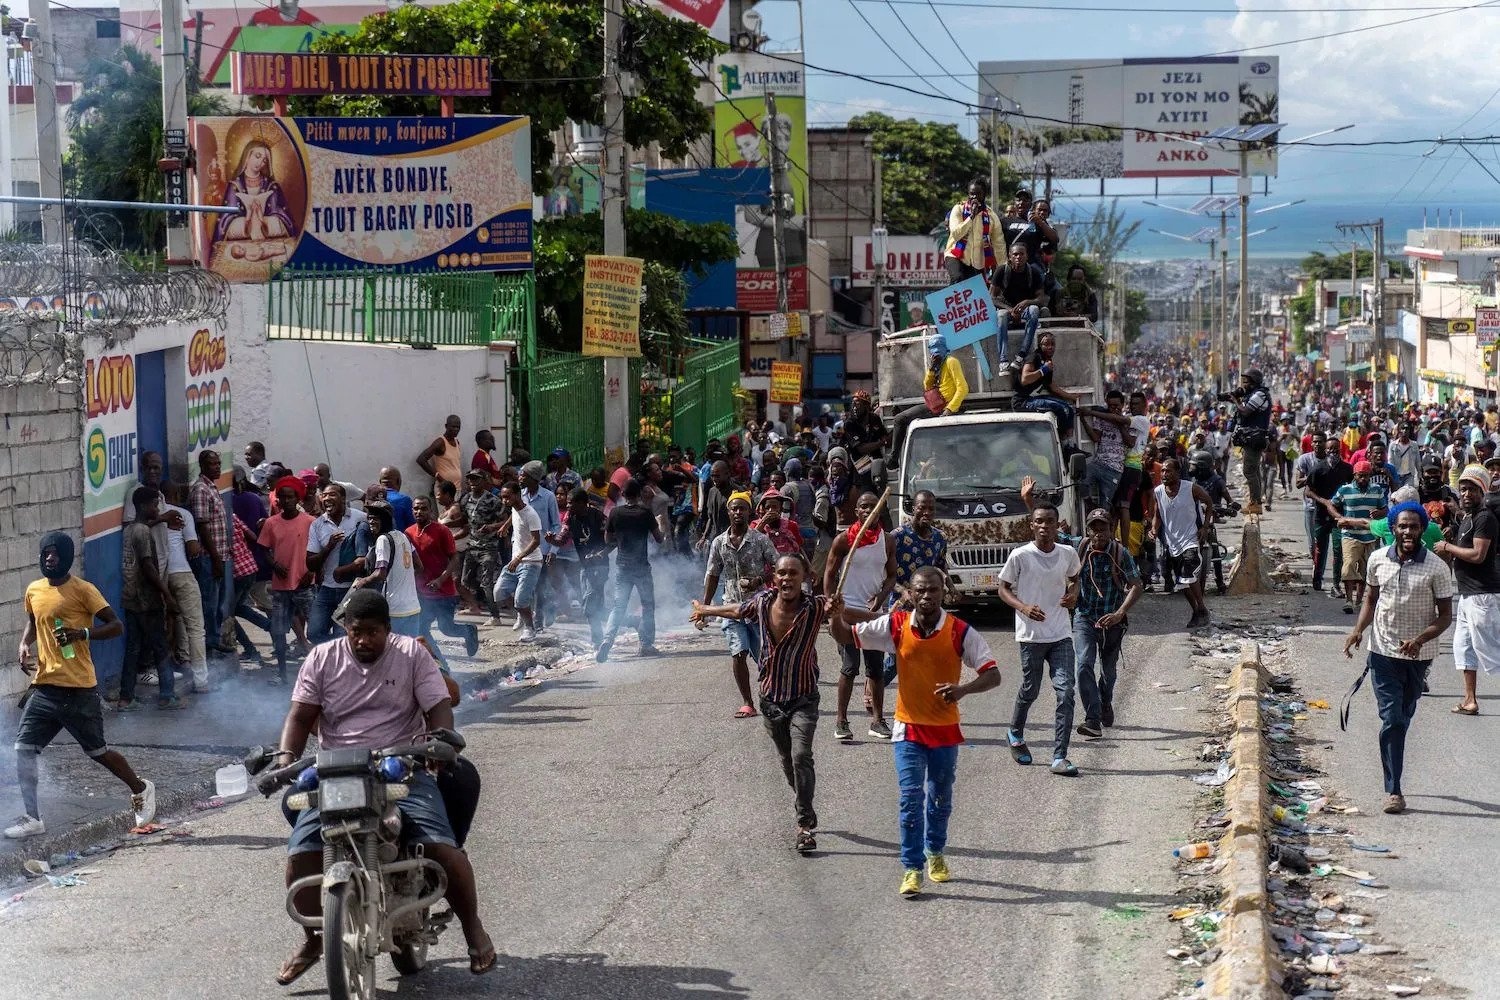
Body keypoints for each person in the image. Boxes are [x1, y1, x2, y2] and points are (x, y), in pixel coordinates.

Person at [271, 589, 494, 984]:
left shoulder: (411, 654)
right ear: (345, 628)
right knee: (301, 852)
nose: (363, 640)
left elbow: (438, 704)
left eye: (372, 632)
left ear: (388, 630)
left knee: (441, 847)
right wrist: (286, 758)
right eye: (356, 631)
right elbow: (300, 716)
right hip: (337, 771)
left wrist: (440, 739)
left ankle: (473, 928)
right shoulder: (322, 658)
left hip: (401, 766)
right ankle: (313, 937)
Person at [830, 565, 999, 898]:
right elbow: (845, 635)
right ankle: (911, 868)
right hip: (907, 728)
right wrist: (835, 616)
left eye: (933, 590)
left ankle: (935, 852)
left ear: (943, 592)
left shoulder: (959, 631)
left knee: (939, 799)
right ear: (909, 593)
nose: (926, 596)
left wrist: (963, 690)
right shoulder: (895, 625)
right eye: (919, 590)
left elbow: (993, 675)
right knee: (910, 800)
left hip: (945, 731)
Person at [7, 533, 156, 840]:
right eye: (45, 554)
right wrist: (24, 645)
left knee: (98, 752)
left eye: (55, 554)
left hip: (79, 690)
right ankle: (33, 818)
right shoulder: (34, 590)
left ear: (66, 557)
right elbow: (35, 621)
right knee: (23, 749)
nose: (49, 558)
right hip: (46, 687)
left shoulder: (83, 590)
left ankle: (140, 788)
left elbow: (116, 625)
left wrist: (81, 634)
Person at [691, 555, 830, 854]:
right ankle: (803, 800)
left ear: (805, 576)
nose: (787, 579)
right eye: (781, 573)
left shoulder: (816, 607)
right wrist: (705, 608)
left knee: (801, 755)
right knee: (786, 760)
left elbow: (848, 622)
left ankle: (804, 826)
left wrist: (843, 614)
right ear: (774, 578)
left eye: (793, 573)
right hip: (770, 700)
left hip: (804, 697)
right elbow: (736, 610)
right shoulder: (763, 603)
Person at [1343, 503, 1455, 815]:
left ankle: (1394, 760)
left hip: (1419, 657)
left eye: (1414, 526)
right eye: (1402, 526)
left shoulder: (1436, 567)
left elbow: (1446, 616)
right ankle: (1394, 790)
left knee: (1403, 717)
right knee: (1392, 718)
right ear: (1393, 528)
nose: (1407, 532)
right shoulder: (1378, 559)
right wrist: (1357, 630)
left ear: (1422, 530)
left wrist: (1420, 640)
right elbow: (1370, 599)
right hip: (1381, 653)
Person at [998, 503, 1082, 776]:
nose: (1044, 526)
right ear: (1031, 525)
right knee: (1031, 689)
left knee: (1066, 691)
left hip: (1060, 634)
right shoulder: (1020, 556)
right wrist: (1023, 608)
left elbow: (1074, 579)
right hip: (1030, 636)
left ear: (1058, 525)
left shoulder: (1068, 553)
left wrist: (1073, 594)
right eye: (1039, 522)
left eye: (1050, 521)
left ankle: (1060, 756)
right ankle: (1015, 732)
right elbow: (1003, 589)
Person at [823, 492, 897, 742]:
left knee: (875, 669)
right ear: (857, 512)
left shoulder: (886, 541)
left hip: (872, 615)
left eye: (872, 507)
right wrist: (830, 602)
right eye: (863, 507)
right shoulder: (844, 540)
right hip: (846, 612)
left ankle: (878, 721)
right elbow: (830, 573)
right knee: (850, 667)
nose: (868, 511)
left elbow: (892, 575)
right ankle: (841, 721)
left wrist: (880, 597)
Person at [701, 492, 778, 718]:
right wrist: (704, 609)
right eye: (734, 509)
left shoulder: (760, 540)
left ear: (749, 512)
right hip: (731, 608)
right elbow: (713, 575)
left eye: (742, 508)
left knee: (764, 656)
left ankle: (772, 696)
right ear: (728, 512)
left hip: (758, 608)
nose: (737, 512)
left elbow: (778, 566)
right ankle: (747, 702)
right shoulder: (719, 543)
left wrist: (759, 580)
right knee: (738, 653)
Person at [1073, 508, 1144, 738]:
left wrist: (1120, 613)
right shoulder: (1080, 547)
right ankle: (1092, 718)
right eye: (1094, 528)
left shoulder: (1120, 553)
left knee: (1108, 671)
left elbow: (1136, 585)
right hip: (1085, 617)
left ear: (1111, 529)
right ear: (1088, 531)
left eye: (1103, 528)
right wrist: (1028, 501)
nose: (1099, 533)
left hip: (1112, 621)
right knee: (1083, 665)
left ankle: (1105, 702)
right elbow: (1047, 533)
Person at [1436, 466, 1499, 716]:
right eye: (1463, 489)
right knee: (1463, 648)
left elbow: (1478, 554)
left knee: (1491, 650)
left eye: (1472, 489)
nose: (1466, 493)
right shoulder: (1467, 518)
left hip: (1483, 595)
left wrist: (1448, 548)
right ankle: (1470, 700)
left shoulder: (1485, 518)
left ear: (1482, 491)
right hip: (1466, 595)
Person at [118, 488, 181, 711]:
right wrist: (167, 594)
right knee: (160, 647)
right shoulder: (143, 532)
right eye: (155, 505)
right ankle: (167, 695)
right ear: (144, 506)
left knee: (133, 648)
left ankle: (126, 698)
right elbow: (148, 566)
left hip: (130, 598)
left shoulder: (129, 530)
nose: (157, 509)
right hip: (146, 599)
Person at [409, 495, 480, 673]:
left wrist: (441, 579)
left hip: (444, 591)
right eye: (416, 508)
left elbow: (454, 557)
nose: (419, 512)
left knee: (446, 628)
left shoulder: (441, 531)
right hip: (422, 593)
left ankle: (468, 630)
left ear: (431, 511)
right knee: (422, 629)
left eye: (423, 508)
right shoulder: (408, 532)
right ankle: (441, 666)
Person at [598, 478, 664, 662]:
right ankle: (646, 644)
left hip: (622, 567)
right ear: (639, 494)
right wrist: (662, 525)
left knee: (618, 607)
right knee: (647, 605)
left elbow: (607, 540)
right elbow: (659, 539)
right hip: (641, 567)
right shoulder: (645, 512)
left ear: (623, 494)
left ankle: (607, 639)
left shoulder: (615, 513)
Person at [258, 476, 316, 685]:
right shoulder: (271, 523)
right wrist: (274, 565)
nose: (286, 500)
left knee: (315, 627)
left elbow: (317, 552)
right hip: (281, 586)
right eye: (282, 497)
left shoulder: (310, 522)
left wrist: (311, 572)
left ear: (297, 498)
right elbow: (263, 549)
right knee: (279, 630)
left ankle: (319, 673)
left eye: (290, 496)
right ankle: (281, 673)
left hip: (304, 584)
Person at [887, 334, 969, 470]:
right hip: (935, 404)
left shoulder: (951, 361)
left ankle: (893, 460)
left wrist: (950, 409)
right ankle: (895, 460)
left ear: (944, 347)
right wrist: (932, 368)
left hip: (945, 407)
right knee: (900, 418)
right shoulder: (937, 365)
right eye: (933, 348)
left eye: (938, 347)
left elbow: (963, 388)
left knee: (900, 419)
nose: (935, 351)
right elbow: (927, 386)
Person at [1150, 458, 1213, 628]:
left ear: (1178, 472)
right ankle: (1198, 611)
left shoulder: (1190, 488)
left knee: (1188, 575)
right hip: (1172, 543)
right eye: (1162, 470)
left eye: (1168, 471)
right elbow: (1157, 515)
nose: (1164, 474)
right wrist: (1154, 530)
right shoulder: (1158, 492)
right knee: (1181, 583)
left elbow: (1209, 502)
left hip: (1191, 539)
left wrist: (1205, 527)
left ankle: (1201, 609)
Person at [1323, 461, 1389, 615]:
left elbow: (1385, 509)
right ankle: (1349, 600)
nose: (1363, 479)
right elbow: (1330, 505)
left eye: (1366, 476)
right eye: (1360, 476)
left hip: (1370, 535)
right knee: (1348, 566)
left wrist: (1380, 513)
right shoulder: (1345, 490)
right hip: (1350, 535)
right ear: (1355, 475)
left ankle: (1359, 601)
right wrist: (1339, 517)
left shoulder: (1377, 490)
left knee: (1365, 569)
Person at [305, 483, 364, 645]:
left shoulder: (360, 518)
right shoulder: (317, 525)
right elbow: (310, 564)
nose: (327, 498)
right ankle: (339, 653)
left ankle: (345, 662)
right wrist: (329, 546)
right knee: (314, 633)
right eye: (324, 495)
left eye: (332, 495)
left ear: (344, 499)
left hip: (351, 589)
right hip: (326, 589)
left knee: (341, 635)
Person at [188, 449, 231, 659]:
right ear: (203, 466)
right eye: (213, 464)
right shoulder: (201, 490)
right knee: (209, 602)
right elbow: (203, 527)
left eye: (218, 463)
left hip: (220, 556)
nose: (217, 467)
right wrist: (215, 558)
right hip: (209, 557)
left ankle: (214, 639)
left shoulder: (213, 488)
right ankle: (208, 644)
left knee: (218, 601)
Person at [492, 482, 544, 642]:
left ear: (517, 495)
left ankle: (530, 629)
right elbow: (514, 515)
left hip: (531, 562)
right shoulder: (516, 508)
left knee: (521, 599)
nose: (504, 501)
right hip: (516, 560)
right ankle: (522, 613)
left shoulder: (531, 514)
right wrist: (505, 526)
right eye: (503, 497)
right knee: (498, 592)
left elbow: (536, 541)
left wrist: (519, 558)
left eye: (507, 497)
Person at [562, 487, 612, 647]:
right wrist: (552, 541)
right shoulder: (570, 518)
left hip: (600, 567)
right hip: (585, 567)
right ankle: (632, 621)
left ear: (583, 503)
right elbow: (562, 538)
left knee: (589, 602)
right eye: (568, 503)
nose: (568, 506)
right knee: (596, 608)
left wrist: (601, 554)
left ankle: (598, 639)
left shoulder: (598, 516)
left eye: (571, 503)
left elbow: (613, 541)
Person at [991, 243, 1049, 371]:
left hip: (1025, 310)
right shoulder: (1001, 270)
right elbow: (992, 298)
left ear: (1027, 256)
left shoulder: (1033, 272)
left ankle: (1021, 354)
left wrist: (1027, 302)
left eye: (1022, 254)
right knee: (1000, 315)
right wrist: (1010, 310)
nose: (1018, 257)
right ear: (1010, 256)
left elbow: (1041, 298)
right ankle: (1003, 361)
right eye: (1015, 254)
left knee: (1034, 309)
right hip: (1007, 309)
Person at [459, 469, 506, 625]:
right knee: (464, 580)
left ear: (484, 480)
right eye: (470, 479)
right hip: (472, 546)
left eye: (476, 479)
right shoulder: (465, 499)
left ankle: (495, 616)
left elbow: (506, 521)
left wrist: (491, 527)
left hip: (488, 547)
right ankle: (474, 606)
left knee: (487, 583)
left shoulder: (493, 500)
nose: (472, 482)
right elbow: (464, 521)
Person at [1081, 389, 1135, 519]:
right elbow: (1096, 438)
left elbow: (1130, 442)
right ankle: (1090, 505)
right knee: (1082, 482)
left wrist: (1119, 423)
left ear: (1122, 405)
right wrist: (1083, 421)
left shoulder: (1129, 420)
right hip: (1099, 463)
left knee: (1105, 504)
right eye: (1110, 406)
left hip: (1115, 470)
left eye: (1116, 406)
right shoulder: (1101, 418)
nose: (1113, 408)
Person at [1227, 369, 1273, 514]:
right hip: (1252, 438)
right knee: (1254, 471)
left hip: (1254, 438)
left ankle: (1256, 503)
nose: (1244, 384)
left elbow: (1246, 411)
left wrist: (1235, 401)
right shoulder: (1254, 394)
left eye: (1246, 381)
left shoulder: (1260, 394)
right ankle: (1255, 501)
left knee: (1249, 471)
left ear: (1254, 382)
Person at [1015, 331, 1080, 431]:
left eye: (1052, 344)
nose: (1050, 347)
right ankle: (1062, 441)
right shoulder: (1034, 357)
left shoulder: (1047, 362)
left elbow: (1051, 386)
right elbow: (1025, 379)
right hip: (1023, 401)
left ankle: (1067, 442)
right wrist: (1043, 370)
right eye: (1046, 344)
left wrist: (1071, 396)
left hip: (1033, 398)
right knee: (1061, 409)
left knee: (1069, 409)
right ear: (1040, 345)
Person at [942, 177, 1002, 283]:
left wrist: (1001, 266)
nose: (974, 197)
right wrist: (971, 217)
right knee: (958, 279)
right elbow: (956, 234)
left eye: (978, 194)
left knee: (975, 291)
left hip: (977, 262)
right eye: (971, 194)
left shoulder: (991, 215)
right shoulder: (958, 209)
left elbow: (998, 243)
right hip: (955, 255)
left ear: (984, 195)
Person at [417, 414, 465, 493]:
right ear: (446, 426)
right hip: (444, 490)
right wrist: (438, 477)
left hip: (457, 488)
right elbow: (421, 459)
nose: (456, 429)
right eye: (453, 427)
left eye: (458, 427)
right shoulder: (440, 442)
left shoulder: (457, 442)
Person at [378, 467, 416, 531]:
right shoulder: (404, 500)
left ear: (380, 482)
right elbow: (413, 528)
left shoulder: (370, 499)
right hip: (397, 539)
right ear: (399, 481)